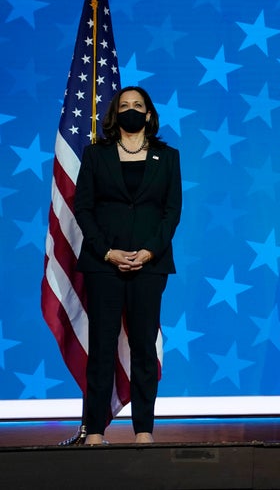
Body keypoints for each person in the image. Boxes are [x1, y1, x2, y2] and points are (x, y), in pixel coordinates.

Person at [73, 86, 182, 445]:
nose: (131, 110)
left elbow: (171, 212)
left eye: (138, 105)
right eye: (125, 106)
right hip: (104, 264)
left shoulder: (168, 157)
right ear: (114, 114)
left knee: (143, 349)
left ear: (149, 115)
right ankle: (95, 430)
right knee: (102, 346)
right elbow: (84, 209)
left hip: (150, 266)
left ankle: (144, 430)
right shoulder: (95, 155)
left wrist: (149, 251)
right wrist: (107, 252)